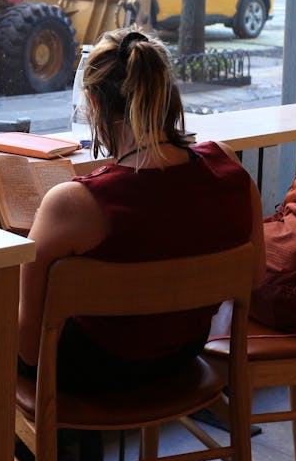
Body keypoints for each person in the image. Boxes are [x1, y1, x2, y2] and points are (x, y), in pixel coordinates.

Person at [18, 27, 265, 390]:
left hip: (95, 375)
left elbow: (29, 352)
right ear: (167, 94)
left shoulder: (72, 203)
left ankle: (49, 444)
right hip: (183, 358)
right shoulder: (230, 170)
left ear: (94, 103)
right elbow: (255, 276)